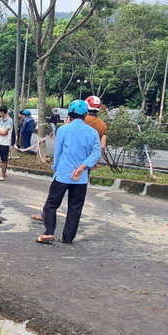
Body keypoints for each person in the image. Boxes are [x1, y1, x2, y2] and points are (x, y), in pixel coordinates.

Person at [37, 100, 101, 244]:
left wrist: (55, 167)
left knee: (52, 204)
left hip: (63, 175)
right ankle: (67, 237)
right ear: (85, 115)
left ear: (69, 114)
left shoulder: (63, 130)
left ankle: (49, 232)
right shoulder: (93, 132)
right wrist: (83, 166)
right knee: (75, 208)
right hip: (81, 178)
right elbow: (96, 153)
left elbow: (58, 152)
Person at [83, 96, 108, 164]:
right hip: (89, 158)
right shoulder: (103, 124)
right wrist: (95, 160)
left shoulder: (80, 120)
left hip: (73, 156)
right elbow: (102, 147)